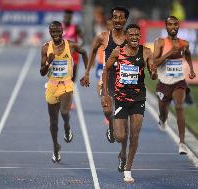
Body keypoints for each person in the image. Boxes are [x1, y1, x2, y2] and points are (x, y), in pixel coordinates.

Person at [102, 24, 157, 183]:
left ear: (140, 36)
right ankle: (119, 145)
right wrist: (105, 93)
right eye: (131, 35)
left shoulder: (146, 51)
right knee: (120, 136)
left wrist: (154, 72)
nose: (134, 37)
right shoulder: (118, 52)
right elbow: (106, 70)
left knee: (134, 135)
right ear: (126, 36)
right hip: (120, 98)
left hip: (138, 99)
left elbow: (153, 74)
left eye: (137, 35)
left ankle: (128, 168)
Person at [80, 7, 129, 146]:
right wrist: (87, 72)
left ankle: (122, 144)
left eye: (121, 18)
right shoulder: (102, 37)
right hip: (107, 77)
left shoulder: (129, 37)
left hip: (124, 79)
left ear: (125, 20)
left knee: (123, 117)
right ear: (112, 20)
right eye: (115, 17)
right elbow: (93, 51)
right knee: (107, 109)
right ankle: (111, 124)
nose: (117, 20)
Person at [40, 21, 88, 163]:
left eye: (57, 31)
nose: (55, 34)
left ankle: (67, 127)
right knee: (53, 122)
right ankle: (56, 148)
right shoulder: (45, 48)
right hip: (52, 86)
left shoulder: (71, 45)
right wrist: (48, 62)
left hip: (67, 84)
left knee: (65, 112)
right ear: (50, 33)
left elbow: (84, 52)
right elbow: (42, 72)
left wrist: (86, 73)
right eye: (52, 32)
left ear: (62, 31)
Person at [153, 16, 196, 154]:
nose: (173, 27)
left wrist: (191, 69)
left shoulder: (184, 43)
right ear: (166, 27)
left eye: (175, 24)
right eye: (170, 24)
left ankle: (182, 143)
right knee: (163, 111)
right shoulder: (160, 42)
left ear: (178, 26)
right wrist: (170, 52)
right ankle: (162, 119)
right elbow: (155, 62)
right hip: (164, 83)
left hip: (179, 81)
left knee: (179, 106)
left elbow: (188, 54)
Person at [63, 9, 84, 82]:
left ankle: (71, 90)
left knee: (73, 78)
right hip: (62, 55)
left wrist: (78, 48)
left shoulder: (75, 27)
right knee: (63, 78)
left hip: (74, 55)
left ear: (71, 18)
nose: (67, 19)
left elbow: (82, 39)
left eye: (68, 17)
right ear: (64, 17)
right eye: (66, 17)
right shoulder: (60, 27)